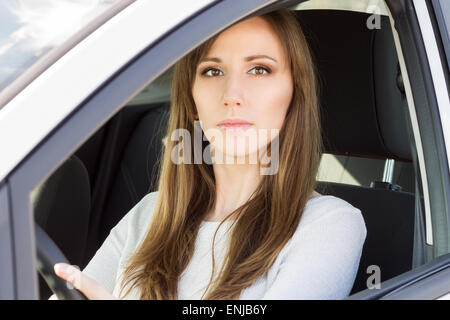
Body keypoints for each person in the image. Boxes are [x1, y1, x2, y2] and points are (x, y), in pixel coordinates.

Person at [52, 8, 367, 300]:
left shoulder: (328, 224)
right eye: (213, 71)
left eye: (259, 70)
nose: (232, 95)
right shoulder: (149, 215)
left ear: (294, 92)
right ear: (192, 98)